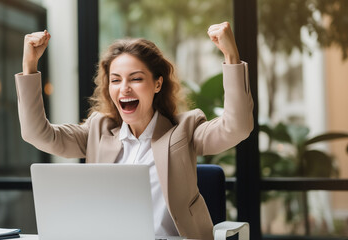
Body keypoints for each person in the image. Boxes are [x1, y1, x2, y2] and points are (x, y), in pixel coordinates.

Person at [15, 22, 253, 239]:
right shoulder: (98, 130)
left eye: (136, 79)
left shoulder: (184, 130)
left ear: (157, 83)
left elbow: (237, 127)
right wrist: (30, 65)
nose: (124, 89)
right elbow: (37, 134)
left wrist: (231, 57)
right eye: (116, 80)